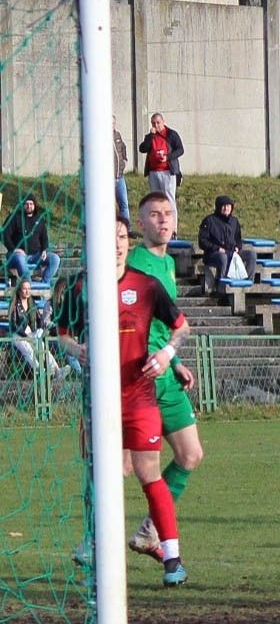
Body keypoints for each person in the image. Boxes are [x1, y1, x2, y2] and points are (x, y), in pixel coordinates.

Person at [57, 216, 191, 587]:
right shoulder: (81, 286)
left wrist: (166, 354)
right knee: (102, 476)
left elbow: (181, 327)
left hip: (139, 399)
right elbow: (62, 335)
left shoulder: (145, 285)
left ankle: (172, 559)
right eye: (109, 236)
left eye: (121, 237)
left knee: (149, 474)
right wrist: (77, 349)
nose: (116, 243)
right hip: (98, 401)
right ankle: (95, 545)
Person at [125, 193, 208, 567]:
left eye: (168, 214)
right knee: (124, 465)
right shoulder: (133, 264)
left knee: (190, 454)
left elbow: (162, 323)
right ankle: (92, 541)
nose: (163, 220)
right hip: (139, 376)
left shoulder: (169, 264)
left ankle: (149, 531)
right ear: (141, 222)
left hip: (165, 373)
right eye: (155, 215)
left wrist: (174, 362)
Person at [7, 279, 67, 380]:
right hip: (18, 335)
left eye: (29, 288)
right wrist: (26, 336)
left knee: (42, 346)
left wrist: (40, 329)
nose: (27, 291)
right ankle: (40, 371)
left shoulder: (31, 302)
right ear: (19, 290)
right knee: (28, 349)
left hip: (30, 333)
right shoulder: (14, 304)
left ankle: (56, 370)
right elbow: (13, 325)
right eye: (24, 289)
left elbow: (39, 319)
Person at [197, 195, 258, 292]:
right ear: (218, 207)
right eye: (224, 206)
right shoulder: (209, 220)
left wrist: (238, 247)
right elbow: (202, 241)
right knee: (223, 257)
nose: (226, 208)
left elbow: (238, 238)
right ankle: (221, 288)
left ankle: (248, 284)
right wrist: (217, 248)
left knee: (251, 255)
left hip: (232, 252)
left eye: (228, 206)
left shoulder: (234, 221)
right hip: (214, 254)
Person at [137, 113, 184, 231]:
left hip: (168, 172)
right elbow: (142, 148)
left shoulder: (171, 134)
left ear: (163, 122)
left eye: (158, 123)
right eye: (153, 123)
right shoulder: (150, 136)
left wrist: (168, 157)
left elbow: (180, 150)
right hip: (153, 172)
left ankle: (173, 229)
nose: (156, 125)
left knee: (169, 200)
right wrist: (150, 136)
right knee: (156, 200)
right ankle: (158, 228)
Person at [4, 196, 60, 284]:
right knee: (20, 259)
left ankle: (44, 283)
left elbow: (44, 238)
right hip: (17, 255)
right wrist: (14, 249)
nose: (29, 206)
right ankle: (28, 285)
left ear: (34, 205)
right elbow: (5, 234)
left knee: (55, 259)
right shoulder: (15, 217)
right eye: (26, 204)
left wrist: (44, 250)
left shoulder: (39, 219)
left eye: (31, 204)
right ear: (23, 205)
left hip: (36, 255)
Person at [114, 116, 129, 221]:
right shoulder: (101, 136)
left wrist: (125, 159)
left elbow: (123, 147)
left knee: (124, 203)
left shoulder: (117, 135)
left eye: (113, 123)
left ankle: (127, 226)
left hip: (120, 176)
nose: (111, 125)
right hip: (107, 178)